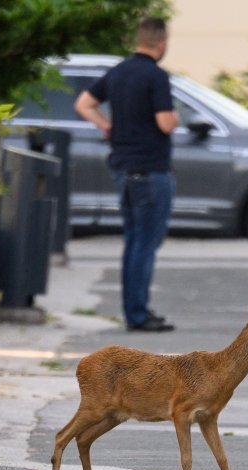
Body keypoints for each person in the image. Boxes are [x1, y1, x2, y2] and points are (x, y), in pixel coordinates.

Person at [74, 17, 179, 332]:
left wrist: (106, 125)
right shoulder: (155, 76)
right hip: (151, 169)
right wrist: (175, 117)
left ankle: (135, 310)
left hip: (122, 167)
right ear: (161, 43)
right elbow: (165, 122)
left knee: (134, 239)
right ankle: (137, 314)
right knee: (146, 242)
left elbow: (84, 103)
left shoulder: (117, 72)